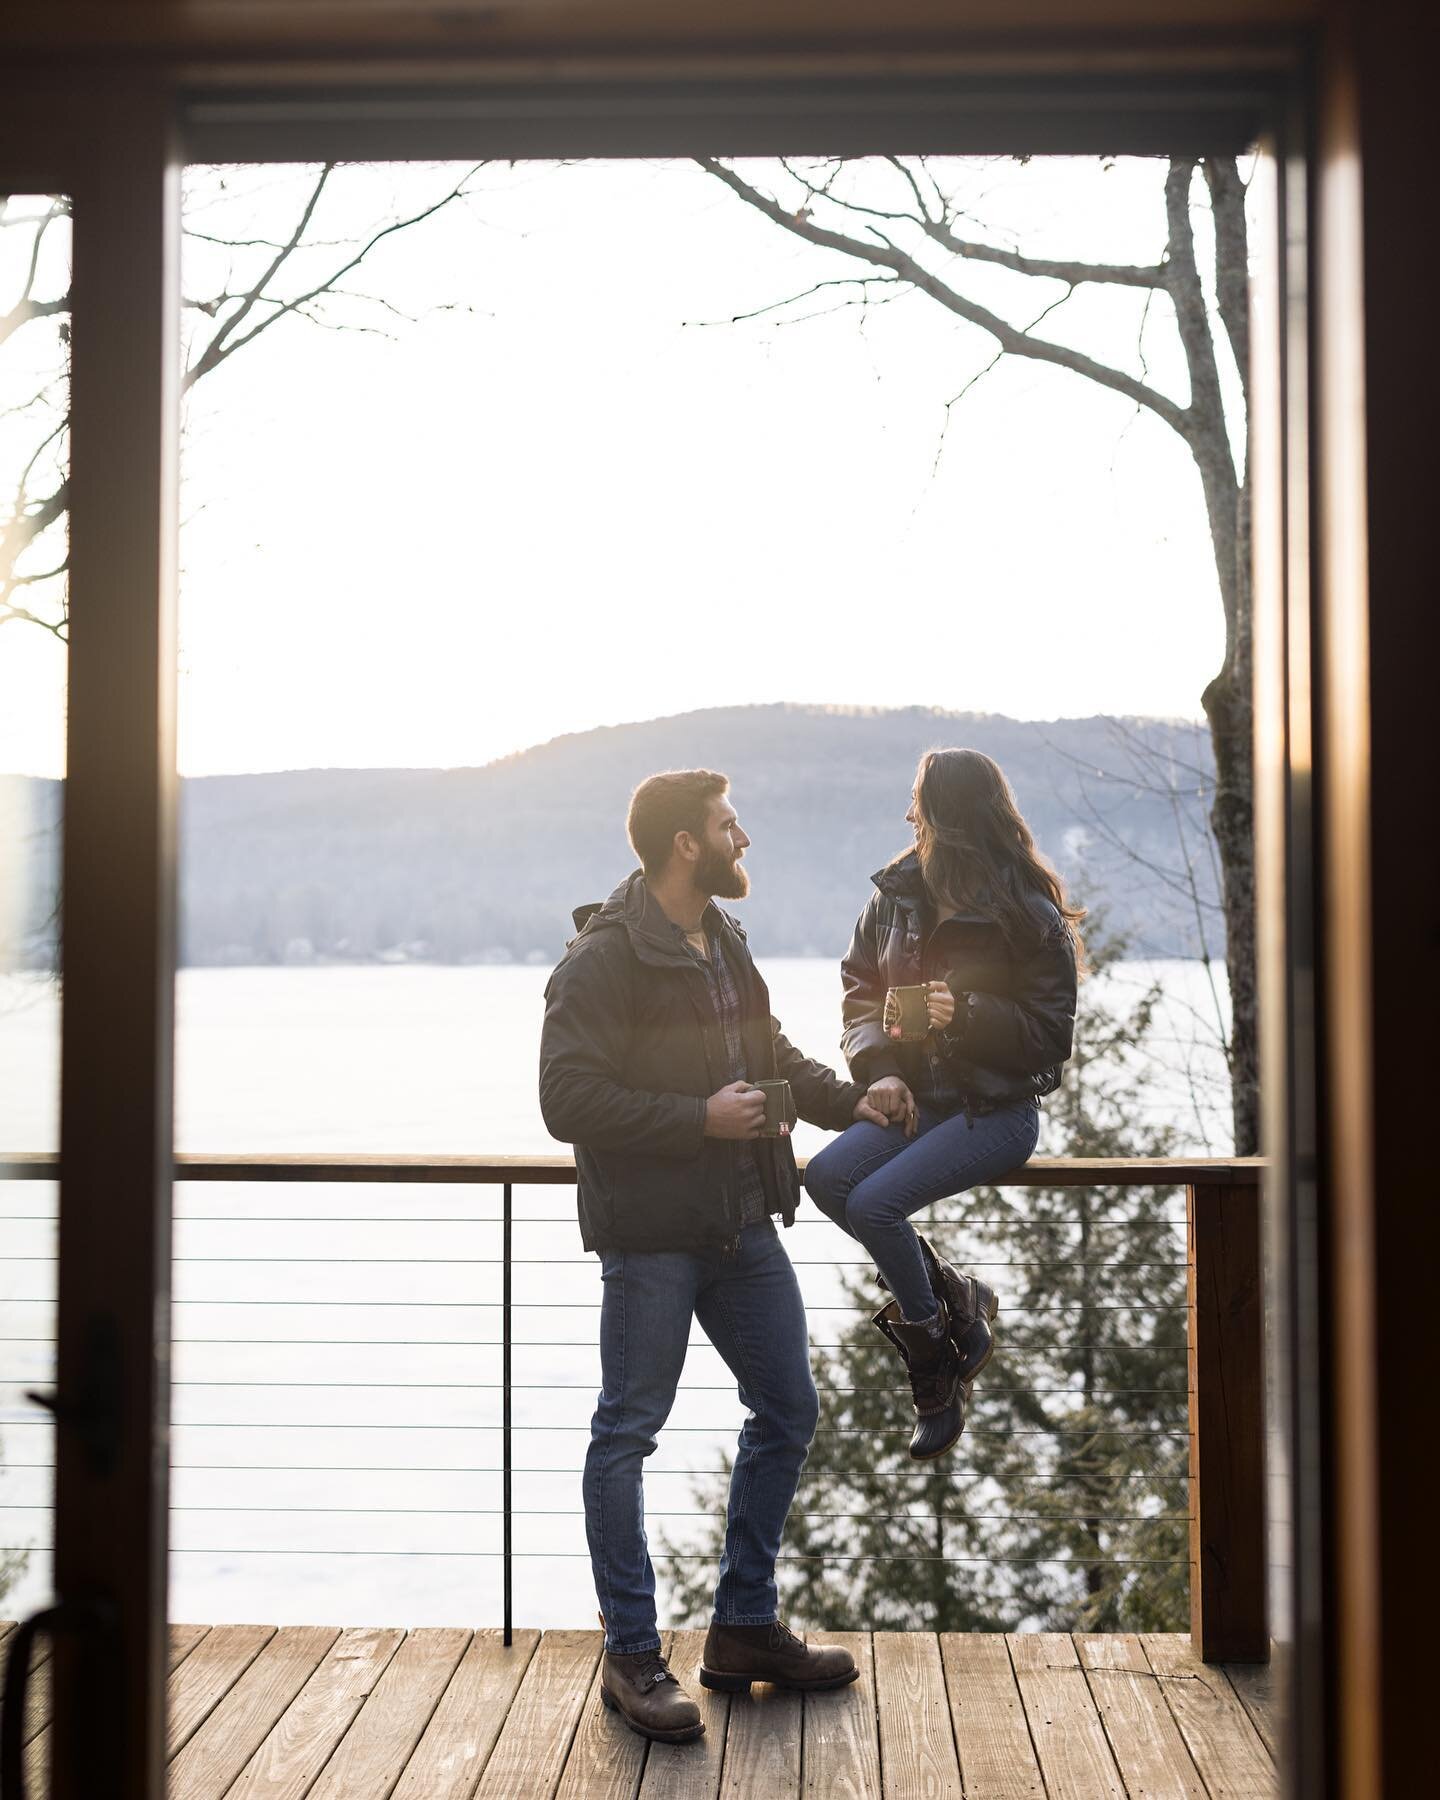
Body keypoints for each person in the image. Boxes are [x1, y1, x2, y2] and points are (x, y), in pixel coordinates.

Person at [539, 768, 882, 1744]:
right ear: (687, 844)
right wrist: (698, 1118)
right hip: (652, 1238)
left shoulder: (718, 939)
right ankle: (633, 1660)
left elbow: (769, 1050)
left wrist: (854, 1100)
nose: (745, 840)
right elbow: (567, 1099)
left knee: (788, 1409)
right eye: (731, 826)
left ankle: (740, 1631)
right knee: (627, 1434)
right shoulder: (603, 960)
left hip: (743, 1227)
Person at [804, 748, 1082, 1462]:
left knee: (873, 1206)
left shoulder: (1027, 911)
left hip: (996, 1112)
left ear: (949, 815)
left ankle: (934, 1371)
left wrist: (966, 1013)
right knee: (827, 1179)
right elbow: (859, 991)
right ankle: (955, 1297)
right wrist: (879, 1070)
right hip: (914, 1103)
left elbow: (1051, 1039)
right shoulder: (896, 895)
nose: (907, 815)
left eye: (918, 801)